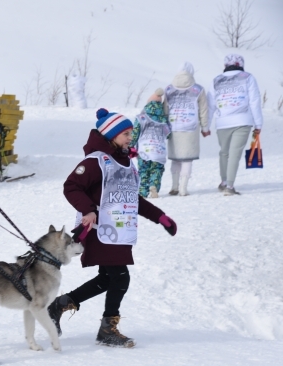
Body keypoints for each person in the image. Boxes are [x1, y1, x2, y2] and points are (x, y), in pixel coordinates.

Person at [48, 109, 178, 347]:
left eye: (131, 133)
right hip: (99, 229)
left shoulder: (126, 162)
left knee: (107, 278)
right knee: (119, 277)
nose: (130, 137)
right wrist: (88, 209)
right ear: (111, 135)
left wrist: (160, 217)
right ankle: (107, 329)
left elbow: (133, 199)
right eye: (126, 133)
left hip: (120, 231)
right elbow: (71, 186)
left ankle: (60, 304)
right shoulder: (97, 161)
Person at [208, 54, 263, 196]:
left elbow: (211, 105)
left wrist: (206, 126)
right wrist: (258, 123)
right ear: (241, 64)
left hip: (222, 123)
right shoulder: (247, 77)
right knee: (234, 154)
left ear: (225, 65)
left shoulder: (217, 80)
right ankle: (230, 186)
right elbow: (254, 101)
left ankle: (224, 182)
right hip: (242, 120)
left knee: (224, 152)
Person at [164, 62, 210, 196]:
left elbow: (165, 110)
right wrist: (205, 128)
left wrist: (165, 127)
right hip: (191, 128)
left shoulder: (168, 89)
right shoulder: (198, 89)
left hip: (173, 128)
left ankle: (174, 186)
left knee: (175, 158)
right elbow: (203, 111)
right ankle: (183, 188)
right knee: (187, 158)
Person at [130, 89, 171, 198]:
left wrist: (130, 146)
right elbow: (168, 134)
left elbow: (134, 134)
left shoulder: (141, 117)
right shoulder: (164, 120)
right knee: (157, 170)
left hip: (144, 150)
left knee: (143, 171)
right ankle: (154, 186)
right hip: (159, 151)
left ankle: (142, 192)